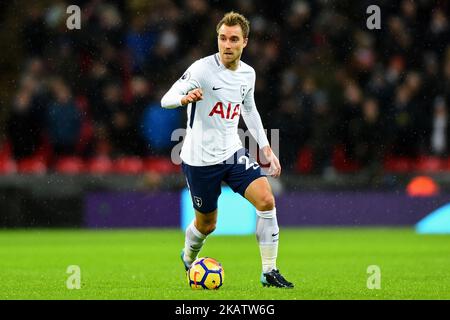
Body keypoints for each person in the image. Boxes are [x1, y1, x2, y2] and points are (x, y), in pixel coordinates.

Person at [161, 11, 293, 288]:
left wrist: (266, 148)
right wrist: (184, 98)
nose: (227, 44)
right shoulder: (201, 70)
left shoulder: (248, 74)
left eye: (233, 39)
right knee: (207, 225)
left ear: (245, 42)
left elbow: (249, 109)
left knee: (267, 201)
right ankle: (188, 256)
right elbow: (166, 99)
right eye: (222, 38)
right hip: (199, 160)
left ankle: (269, 271)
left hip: (232, 152)